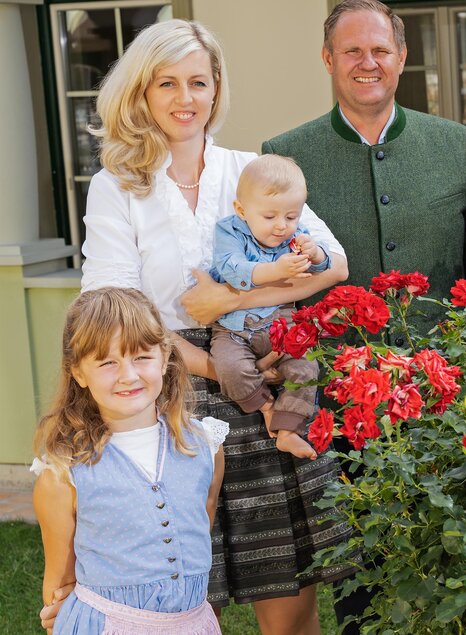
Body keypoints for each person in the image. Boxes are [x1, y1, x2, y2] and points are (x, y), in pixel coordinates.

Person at [79, 19, 355, 635]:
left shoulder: (250, 170)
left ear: (216, 88)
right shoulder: (116, 187)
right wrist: (210, 361)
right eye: (167, 83)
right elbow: (112, 307)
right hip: (168, 389)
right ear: (141, 94)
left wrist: (226, 297)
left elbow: (333, 261)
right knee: (173, 601)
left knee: (284, 595)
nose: (185, 99)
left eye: (198, 82)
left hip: (262, 367)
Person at [263, 0, 466, 335]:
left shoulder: (455, 144)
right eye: (352, 51)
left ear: (402, 58)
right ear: (328, 59)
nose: (368, 63)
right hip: (331, 376)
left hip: (446, 373)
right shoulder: (285, 155)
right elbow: (274, 286)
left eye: (381, 50)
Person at [33, 287, 226, 634]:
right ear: (78, 372)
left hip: (192, 623)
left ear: (165, 357)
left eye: (141, 356)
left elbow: (201, 518)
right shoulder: (64, 473)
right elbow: (59, 580)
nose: (128, 375)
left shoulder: (205, 446)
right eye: (107, 362)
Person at [210, 154, 330, 461]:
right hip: (235, 327)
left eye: (291, 217)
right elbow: (231, 269)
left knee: (307, 368)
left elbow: (323, 266)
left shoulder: (296, 234)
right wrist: (276, 271)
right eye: (270, 217)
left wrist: (315, 254)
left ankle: (288, 432)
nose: (281, 226)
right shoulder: (229, 231)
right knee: (229, 367)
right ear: (241, 210)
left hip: (282, 325)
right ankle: (265, 406)